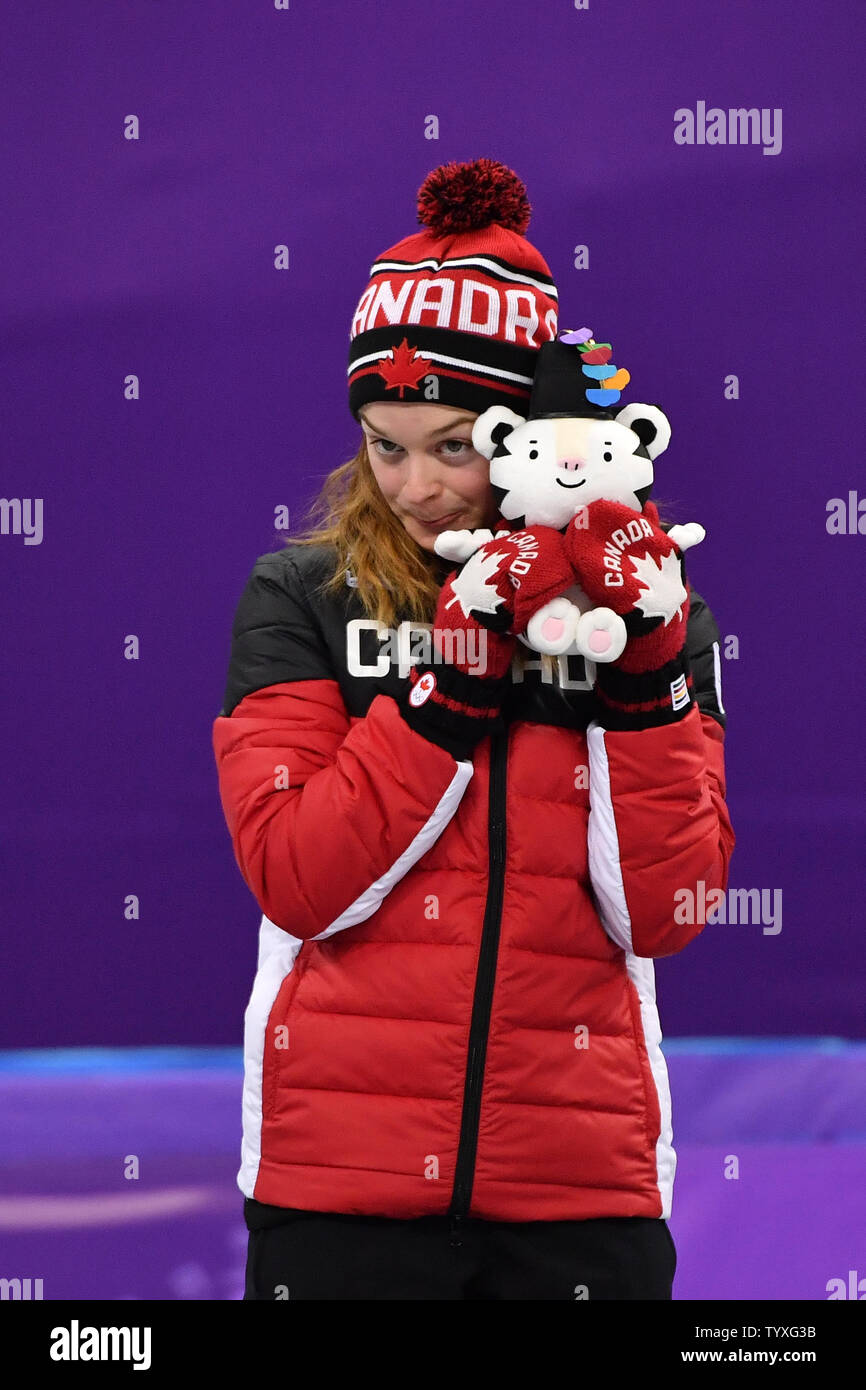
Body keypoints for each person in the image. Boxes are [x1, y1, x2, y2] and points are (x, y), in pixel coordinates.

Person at [212, 158, 735, 1300]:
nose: (411, 486)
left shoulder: (652, 609)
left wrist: (643, 681)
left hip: (577, 1194)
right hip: (335, 1191)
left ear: (526, 431)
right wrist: (454, 680)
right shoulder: (298, 595)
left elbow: (667, 909)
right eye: (383, 444)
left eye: (451, 445)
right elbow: (297, 880)